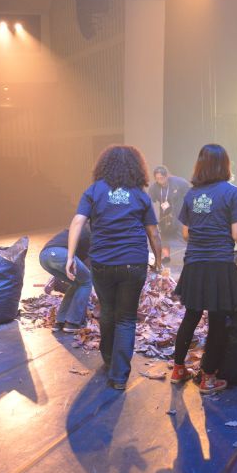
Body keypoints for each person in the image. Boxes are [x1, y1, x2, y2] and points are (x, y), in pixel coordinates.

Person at [170, 144, 237, 394]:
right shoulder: (233, 193)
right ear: (225, 165)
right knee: (217, 321)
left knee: (191, 316)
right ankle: (208, 378)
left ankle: (178, 369)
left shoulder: (192, 195)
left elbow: (186, 233)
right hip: (219, 265)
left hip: (194, 264)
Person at [67, 145, 163, 391]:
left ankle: (109, 359)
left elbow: (77, 221)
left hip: (103, 262)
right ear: (136, 168)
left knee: (108, 311)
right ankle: (119, 376)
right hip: (134, 263)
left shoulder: (94, 191)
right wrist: (158, 261)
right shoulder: (140, 195)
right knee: (126, 317)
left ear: (104, 166)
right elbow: (154, 232)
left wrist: (70, 256)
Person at [39, 223, 92, 333]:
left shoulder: (82, 229)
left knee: (77, 283)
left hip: (44, 256)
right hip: (60, 254)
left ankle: (60, 321)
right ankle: (73, 323)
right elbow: (89, 264)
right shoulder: (91, 233)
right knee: (86, 282)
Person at [148, 165, 191, 264]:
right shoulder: (154, 187)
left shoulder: (179, 182)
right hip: (165, 215)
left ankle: (189, 254)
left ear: (166, 176)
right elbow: (149, 201)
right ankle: (166, 256)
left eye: (162, 178)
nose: (160, 180)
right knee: (164, 236)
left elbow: (189, 194)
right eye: (157, 178)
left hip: (179, 214)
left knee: (185, 235)